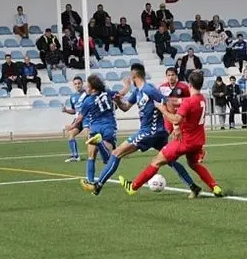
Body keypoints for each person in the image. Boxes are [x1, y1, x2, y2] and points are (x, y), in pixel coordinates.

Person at [81, 63, 200, 197]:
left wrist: (176, 126)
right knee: (169, 159)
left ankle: (98, 185)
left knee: (116, 153)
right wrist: (118, 101)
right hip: (156, 133)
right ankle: (193, 186)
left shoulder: (149, 89)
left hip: (149, 132)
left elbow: (168, 103)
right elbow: (126, 107)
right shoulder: (137, 92)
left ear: (134, 76)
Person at [118, 71, 224, 198]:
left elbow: (176, 119)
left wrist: (163, 110)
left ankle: (133, 187)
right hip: (198, 141)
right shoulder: (202, 99)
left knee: (156, 161)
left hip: (184, 141)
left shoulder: (188, 102)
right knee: (194, 164)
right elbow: (181, 108)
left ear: (189, 84)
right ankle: (215, 187)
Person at [67, 75, 116, 187]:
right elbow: (120, 94)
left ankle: (90, 180)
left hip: (95, 127)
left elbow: (79, 118)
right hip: (108, 126)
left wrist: (72, 126)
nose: (86, 88)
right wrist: (127, 86)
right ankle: (90, 182)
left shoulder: (88, 101)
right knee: (107, 158)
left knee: (91, 155)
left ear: (93, 88)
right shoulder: (107, 93)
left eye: (88, 86)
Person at [63, 76, 89, 162]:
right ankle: (75, 156)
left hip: (87, 118)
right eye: (75, 84)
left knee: (87, 135)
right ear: (73, 85)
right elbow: (75, 111)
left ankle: (102, 152)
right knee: (70, 133)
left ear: (82, 84)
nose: (77, 85)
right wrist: (66, 110)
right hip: (78, 119)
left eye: (79, 83)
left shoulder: (87, 94)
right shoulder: (73, 97)